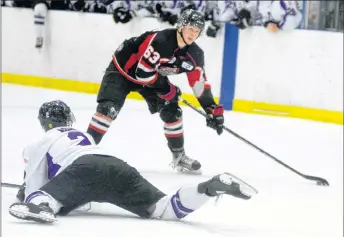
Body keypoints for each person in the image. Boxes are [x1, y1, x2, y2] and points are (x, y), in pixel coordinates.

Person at [8, 100, 257, 224]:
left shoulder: (39, 142)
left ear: (43, 123)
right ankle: (209, 187)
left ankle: (40, 210)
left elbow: (34, 181)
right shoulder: (83, 136)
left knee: (40, 199)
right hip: (117, 166)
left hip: (83, 170)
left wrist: (29, 196)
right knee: (165, 209)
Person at [86, 9, 225, 175]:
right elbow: (142, 73)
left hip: (150, 77)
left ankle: (179, 157)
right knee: (108, 110)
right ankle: (80, 153)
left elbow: (199, 84)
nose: (193, 34)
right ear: (181, 26)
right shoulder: (162, 41)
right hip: (123, 71)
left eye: (197, 31)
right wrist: (167, 89)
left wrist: (211, 109)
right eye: (190, 29)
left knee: (173, 112)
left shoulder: (195, 54)